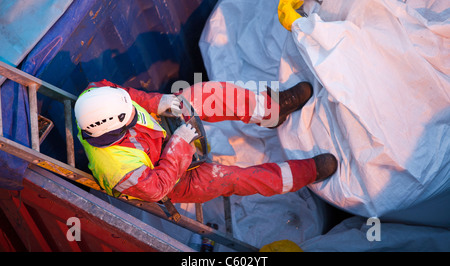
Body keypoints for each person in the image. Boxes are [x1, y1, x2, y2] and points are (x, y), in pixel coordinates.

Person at [74, 79, 337, 204]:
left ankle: (272, 110)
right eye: (129, 116)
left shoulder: (95, 95)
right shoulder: (119, 169)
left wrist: (158, 102)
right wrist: (180, 144)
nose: (133, 111)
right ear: (114, 129)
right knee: (229, 178)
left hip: (164, 134)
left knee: (208, 95)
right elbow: (158, 188)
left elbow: (127, 95)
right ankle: (307, 172)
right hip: (173, 179)